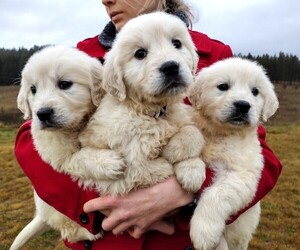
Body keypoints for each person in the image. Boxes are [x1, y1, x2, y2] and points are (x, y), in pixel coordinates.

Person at [14, 0, 282, 249]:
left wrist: (185, 193)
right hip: (108, 238)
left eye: (177, 44)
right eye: (140, 53)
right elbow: (31, 140)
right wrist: (95, 206)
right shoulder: (85, 55)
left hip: (176, 239)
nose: (106, 0)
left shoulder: (215, 55)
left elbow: (256, 152)